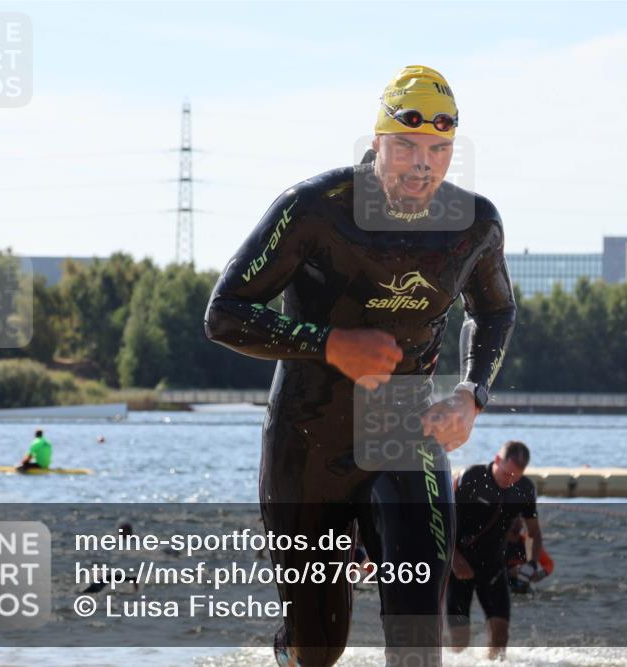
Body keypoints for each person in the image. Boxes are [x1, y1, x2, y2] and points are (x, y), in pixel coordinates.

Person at [204, 65, 516, 667]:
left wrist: (472, 394)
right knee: (318, 647)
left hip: (406, 434)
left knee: (417, 629)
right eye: (405, 146)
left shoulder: (474, 226)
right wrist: (328, 344)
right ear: (376, 143)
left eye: (439, 149)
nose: (421, 164)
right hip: (307, 441)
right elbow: (225, 313)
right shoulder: (316, 210)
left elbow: (496, 312)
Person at [447, 441, 542, 659]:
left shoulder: (524, 489)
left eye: (515, 476)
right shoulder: (472, 478)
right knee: (460, 639)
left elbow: (534, 532)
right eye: (507, 473)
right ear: (497, 460)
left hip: (493, 565)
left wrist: (533, 562)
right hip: (459, 563)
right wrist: (454, 558)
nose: (509, 480)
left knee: (501, 633)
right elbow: (442, 521)